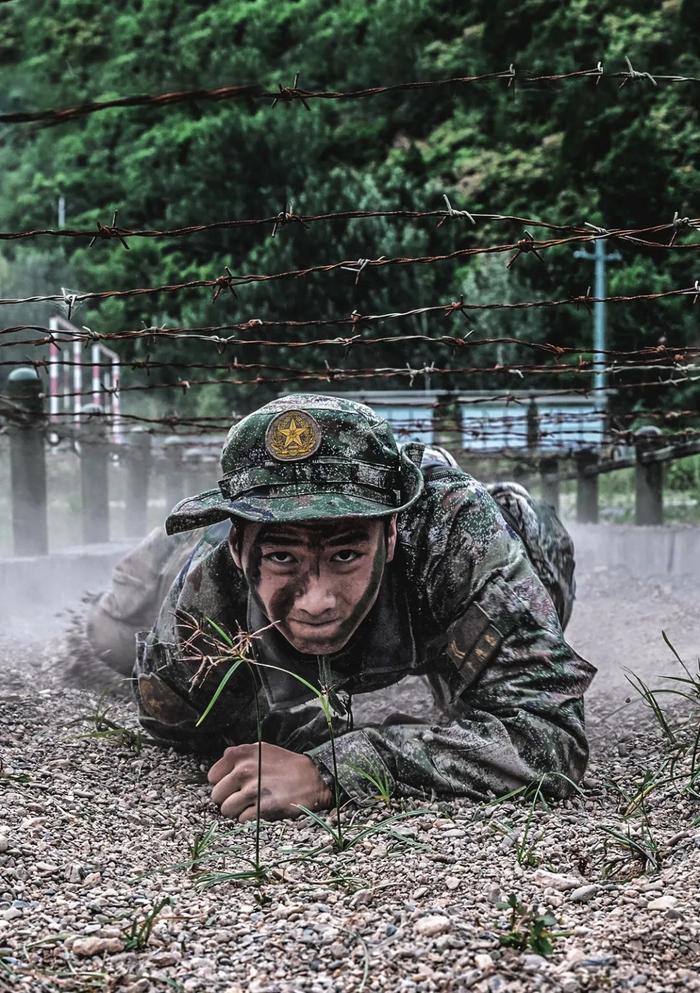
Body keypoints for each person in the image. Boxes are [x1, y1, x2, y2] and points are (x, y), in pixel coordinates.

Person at [92, 394, 595, 821]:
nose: (316, 600)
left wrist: (335, 766)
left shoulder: (456, 537)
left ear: (392, 535)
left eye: (346, 555)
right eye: (283, 556)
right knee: (111, 638)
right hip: (211, 557)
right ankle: (157, 554)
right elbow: (173, 722)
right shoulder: (212, 586)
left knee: (528, 549)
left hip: (451, 581)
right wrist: (305, 729)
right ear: (239, 549)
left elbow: (548, 737)